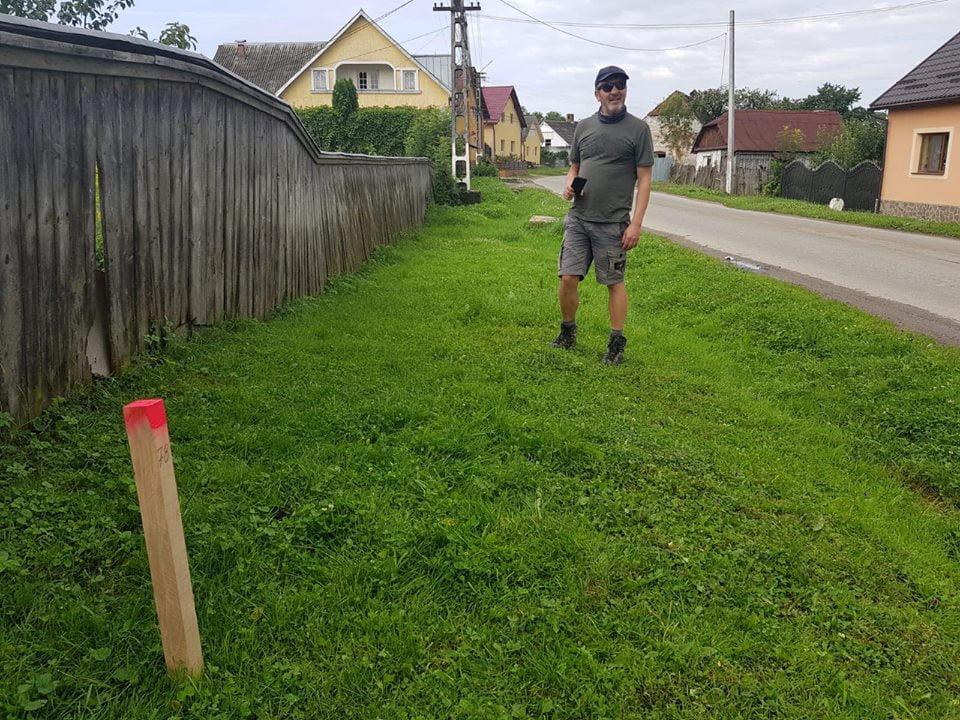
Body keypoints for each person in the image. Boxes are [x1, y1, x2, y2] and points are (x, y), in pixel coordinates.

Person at [550, 65, 654, 365]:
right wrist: (569, 184)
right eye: (607, 87)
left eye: (620, 85)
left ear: (625, 90)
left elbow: (645, 179)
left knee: (613, 282)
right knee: (568, 277)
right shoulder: (583, 127)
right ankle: (568, 332)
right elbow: (574, 167)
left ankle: (616, 343)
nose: (614, 91)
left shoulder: (638, 130)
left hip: (613, 223)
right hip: (579, 218)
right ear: (597, 94)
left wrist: (636, 224)